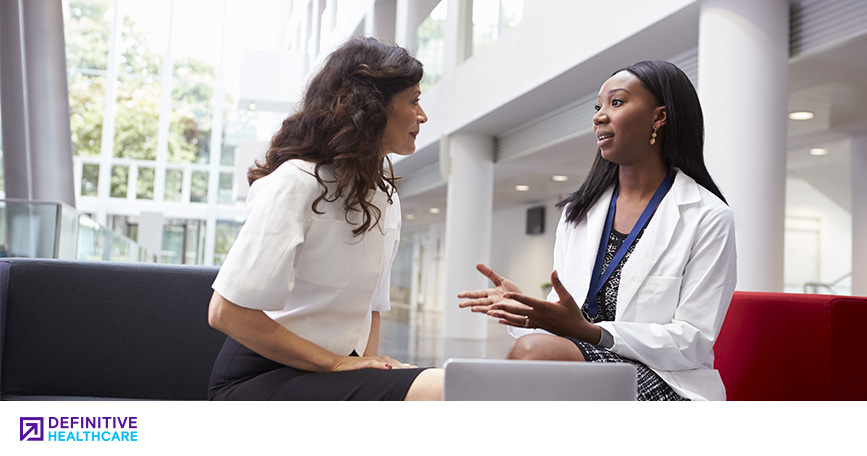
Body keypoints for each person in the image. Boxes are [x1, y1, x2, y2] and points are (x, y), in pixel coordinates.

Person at [458, 60, 737, 401]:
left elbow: (691, 342)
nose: (599, 116)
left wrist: (594, 334)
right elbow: (569, 316)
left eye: (616, 103)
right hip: (583, 357)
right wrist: (528, 309)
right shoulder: (579, 212)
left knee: (532, 357)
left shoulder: (708, 216)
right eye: (598, 106)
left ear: (659, 117)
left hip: (664, 375)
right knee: (529, 360)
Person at [207, 37, 443, 401]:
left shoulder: (384, 195)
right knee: (442, 390)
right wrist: (334, 365)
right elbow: (226, 313)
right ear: (373, 107)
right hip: (261, 377)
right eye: (413, 101)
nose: (422, 115)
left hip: (330, 373)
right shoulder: (294, 183)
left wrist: (373, 371)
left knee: (453, 386)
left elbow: (372, 310)